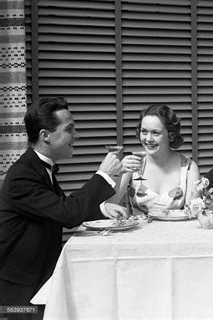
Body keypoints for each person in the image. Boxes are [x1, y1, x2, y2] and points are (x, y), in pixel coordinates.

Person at [0, 97, 129, 318]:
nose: (76, 136)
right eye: (69, 129)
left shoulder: (40, 168)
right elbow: (68, 214)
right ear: (45, 136)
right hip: (17, 296)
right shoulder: (22, 175)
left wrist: (104, 210)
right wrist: (103, 175)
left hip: (40, 279)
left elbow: (60, 210)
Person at [112, 105, 200, 214]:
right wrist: (119, 173)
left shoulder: (189, 168)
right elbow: (110, 205)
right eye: (144, 131)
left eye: (155, 133)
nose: (148, 139)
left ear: (170, 135)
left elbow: (193, 214)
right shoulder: (132, 164)